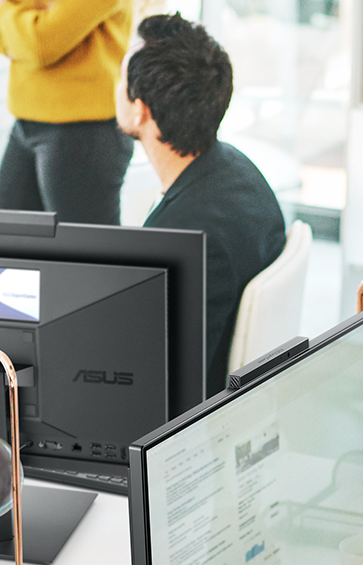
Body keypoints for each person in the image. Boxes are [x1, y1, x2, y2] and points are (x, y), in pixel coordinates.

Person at [116, 14, 286, 396]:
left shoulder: (181, 241)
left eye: (119, 76)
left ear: (141, 109)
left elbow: (157, 386)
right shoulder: (238, 168)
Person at [0, 0, 139, 225]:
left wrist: (6, 12)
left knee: (85, 253)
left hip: (85, 130)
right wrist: (26, 31)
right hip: (26, 120)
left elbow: (40, 44)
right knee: (2, 239)